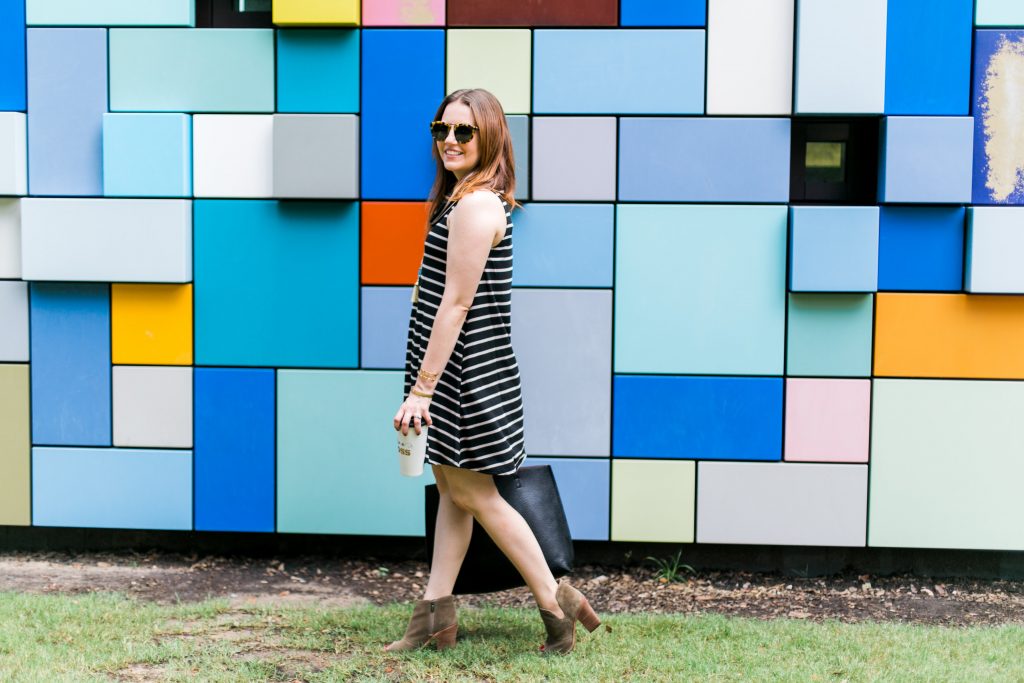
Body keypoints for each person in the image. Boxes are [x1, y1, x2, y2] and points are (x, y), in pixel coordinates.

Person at [388, 88, 602, 655]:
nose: (450, 141)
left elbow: (456, 304)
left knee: (476, 494)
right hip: (456, 369)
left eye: (465, 132)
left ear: (491, 137)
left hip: (462, 376)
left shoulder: (478, 206)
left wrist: (422, 390)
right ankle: (435, 614)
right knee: (454, 491)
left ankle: (557, 605)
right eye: (442, 130)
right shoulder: (464, 200)